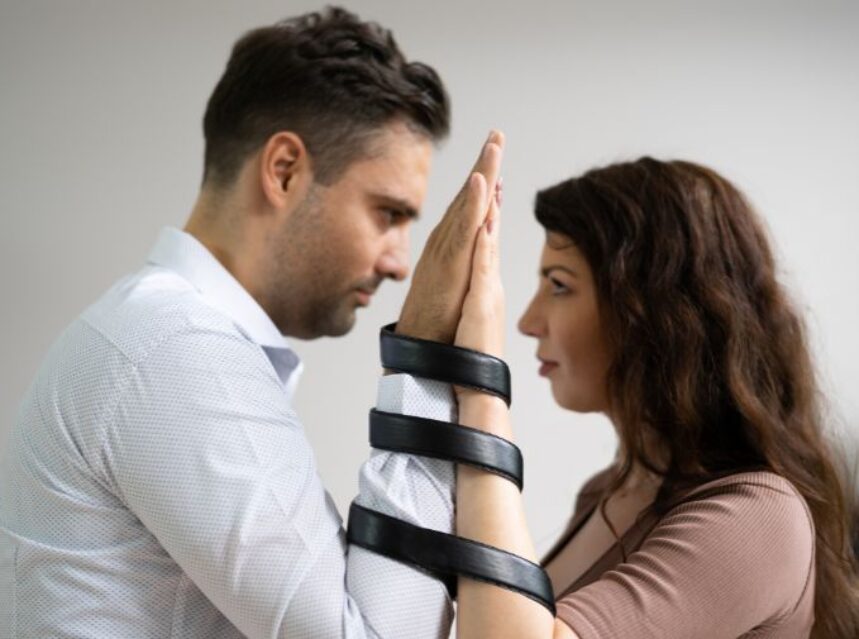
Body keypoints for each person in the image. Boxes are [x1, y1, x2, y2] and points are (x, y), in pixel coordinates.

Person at [0, 7, 503, 638]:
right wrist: (427, 356)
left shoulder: (160, 336)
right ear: (284, 170)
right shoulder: (176, 348)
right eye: (387, 213)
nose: (401, 262)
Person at [446, 157, 859, 638]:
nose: (527, 321)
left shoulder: (758, 518)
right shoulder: (608, 491)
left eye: (559, 285)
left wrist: (479, 389)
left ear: (652, 311)